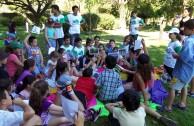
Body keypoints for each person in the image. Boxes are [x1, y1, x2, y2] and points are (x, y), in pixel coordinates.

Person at [157, 19, 194, 112]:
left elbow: (185, 58)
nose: (183, 31)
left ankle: (168, 107)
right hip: (189, 71)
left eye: (185, 29)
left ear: (192, 30)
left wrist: (175, 55)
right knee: (184, 86)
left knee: (172, 87)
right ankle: (182, 104)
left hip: (182, 70)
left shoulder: (189, 41)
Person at [105, 90, 177, 126]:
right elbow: (142, 105)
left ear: (124, 104)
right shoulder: (141, 111)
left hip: (124, 113)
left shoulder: (120, 113)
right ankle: (159, 116)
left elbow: (107, 105)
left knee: (112, 114)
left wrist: (117, 103)